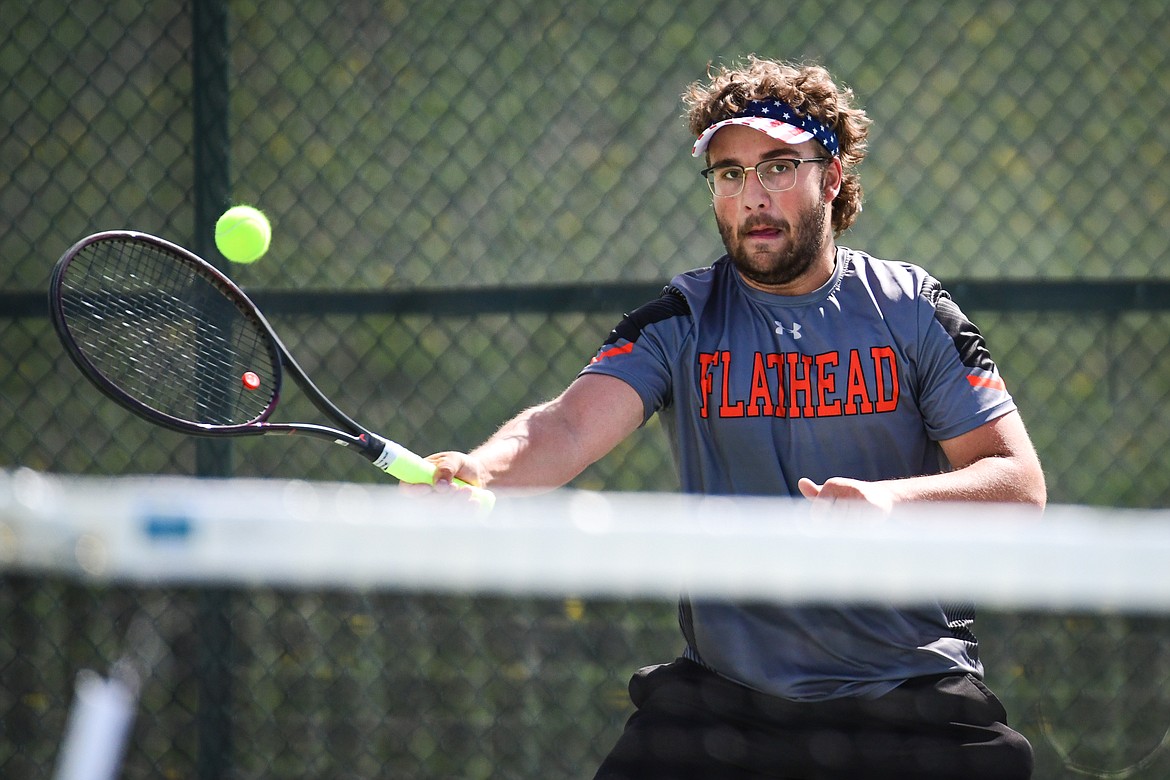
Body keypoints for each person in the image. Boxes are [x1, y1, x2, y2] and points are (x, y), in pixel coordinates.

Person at [422, 56, 1046, 779]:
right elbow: (564, 427)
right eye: (729, 174)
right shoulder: (680, 318)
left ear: (832, 176)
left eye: (778, 167)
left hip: (910, 695)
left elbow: (1017, 486)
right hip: (728, 706)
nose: (753, 195)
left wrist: (890, 502)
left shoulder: (912, 309)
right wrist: (482, 471)